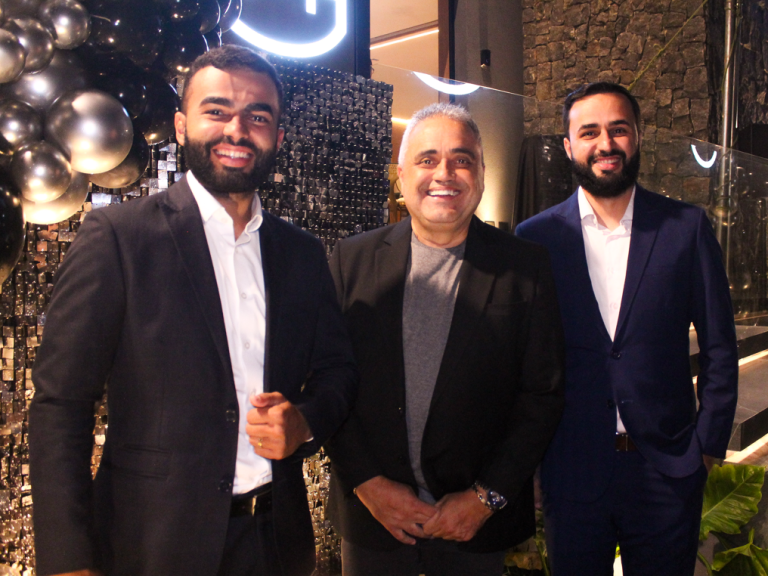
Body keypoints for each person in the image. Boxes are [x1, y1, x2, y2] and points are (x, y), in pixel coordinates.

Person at [28, 45, 357, 576]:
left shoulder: (302, 253)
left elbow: (337, 371)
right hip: (151, 545)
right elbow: (61, 403)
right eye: (217, 110)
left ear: (278, 136)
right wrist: (67, 559)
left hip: (276, 543)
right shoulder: (118, 237)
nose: (237, 130)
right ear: (181, 127)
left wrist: (304, 423)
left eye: (258, 116)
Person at [325, 103, 566, 576]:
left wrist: (486, 498)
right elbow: (328, 382)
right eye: (427, 159)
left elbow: (543, 395)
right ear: (401, 175)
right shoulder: (351, 261)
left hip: (475, 527)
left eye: (461, 159)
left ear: (481, 173)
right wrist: (367, 483)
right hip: (374, 521)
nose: (444, 173)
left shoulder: (526, 267)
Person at [516, 82, 739, 576]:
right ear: (569, 145)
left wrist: (705, 448)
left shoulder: (685, 228)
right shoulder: (534, 239)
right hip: (571, 469)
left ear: (637, 137)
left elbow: (721, 348)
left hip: (667, 470)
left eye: (618, 129)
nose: (606, 144)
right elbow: (523, 359)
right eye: (589, 132)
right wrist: (529, 459)